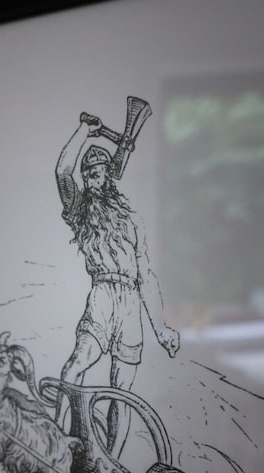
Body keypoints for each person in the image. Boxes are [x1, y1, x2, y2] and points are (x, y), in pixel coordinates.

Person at [55, 112, 179, 455]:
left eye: (95, 174)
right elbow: (63, 171)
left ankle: (111, 465)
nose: (90, 181)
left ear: (108, 175)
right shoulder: (80, 211)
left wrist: (161, 328)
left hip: (130, 305)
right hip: (102, 296)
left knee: (122, 394)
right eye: (87, 175)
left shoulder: (133, 221)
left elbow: (146, 275)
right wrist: (85, 129)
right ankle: (57, 438)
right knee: (76, 365)